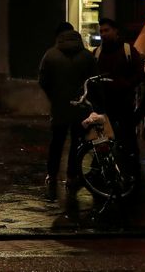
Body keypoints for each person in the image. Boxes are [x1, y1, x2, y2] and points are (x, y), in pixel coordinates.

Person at [38, 21, 96, 198]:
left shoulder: (50, 55)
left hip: (59, 106)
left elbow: (43, 81)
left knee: (56, 142)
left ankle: (52, 174)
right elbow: (93, 81)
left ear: (58, 36)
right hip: (80, 106)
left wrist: (55, 96)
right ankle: (72, 175)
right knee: (77, 143)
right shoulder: (86, 56)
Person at [93, 17, 144, 172]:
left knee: (127, 135)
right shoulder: (97, 52)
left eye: (106, 30)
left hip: (123, 102)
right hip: (104, 103)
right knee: (101, 137)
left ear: (116, 31)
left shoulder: (128, 50)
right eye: (101, 31)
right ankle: (99, 167)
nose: (103, 34)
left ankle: (132, 166)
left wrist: (127, 85)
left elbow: (140, 73)